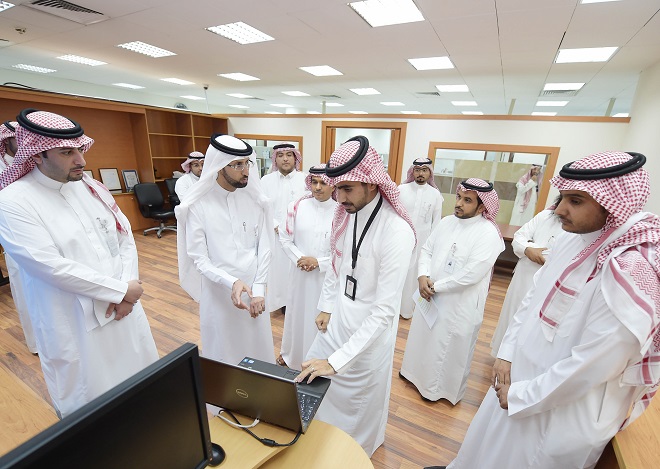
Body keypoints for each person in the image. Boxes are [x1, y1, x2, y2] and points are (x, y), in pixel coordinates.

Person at [442, 151, 660, 469]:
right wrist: (507, 353)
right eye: (563, 197)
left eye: (575, 201)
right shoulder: (572, 239)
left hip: (557, 410)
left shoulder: (629, 270)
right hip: (517, 380)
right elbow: (532, 298)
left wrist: (521, 395)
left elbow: (594, 365)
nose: (559, 209)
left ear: (612, 204)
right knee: (484, 451)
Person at [0, 109, 159, 418]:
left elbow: (124, 235)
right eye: (66, 152)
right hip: (72, 318)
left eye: (80, 149)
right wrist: (120, 291)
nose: (81, 160)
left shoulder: (91, 187)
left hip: (125, 309)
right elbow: (49, 266)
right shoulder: (13, 201)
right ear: (37, 155)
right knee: (91, 402)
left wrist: (128, 289)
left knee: (141, 386)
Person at [295, 136, 416, 456]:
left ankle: (349, 456)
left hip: (369, 332)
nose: (339, 197)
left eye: (347, 188)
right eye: (337, 188)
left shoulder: (396, 232)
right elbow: (336, 264)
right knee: (316, 383)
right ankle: (319, 447)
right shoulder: (348, 211)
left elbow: (384, 312)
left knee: (355, 407)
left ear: (372, 183)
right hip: (339, 316)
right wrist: (326, 306)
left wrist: (335, 362)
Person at [400, 178, 504, 404]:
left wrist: (436, 286)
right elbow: (427, 249)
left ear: (482, 206)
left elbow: (472, 273)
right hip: (429, 293)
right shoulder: (446, 222)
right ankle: (412, 374)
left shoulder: (488, 233)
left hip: (458, 303)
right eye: (459, 197)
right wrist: (422, 275)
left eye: (467, 200)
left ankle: (435, 390)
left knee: (445, 345)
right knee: (422, 336)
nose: (459, 203)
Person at [176, 134, 275, 366]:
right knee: (225, 353)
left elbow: (265, 246)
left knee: (258, 350)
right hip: (219, 293)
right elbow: (199, 259)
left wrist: (259, 288)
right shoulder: (198, 205)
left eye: (247, 163)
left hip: (254, 293)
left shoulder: (255, 200)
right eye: (237, 165)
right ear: (219, 166)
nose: (246, 171)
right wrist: (231, 282)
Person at [277, 164, 337, 370]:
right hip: (300, 275)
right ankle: (292, 355)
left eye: (323, 183)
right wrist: (300, 259)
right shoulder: (296, 206)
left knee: (321, 318)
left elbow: (344, 251)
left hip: (326, 278)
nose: (318, 187)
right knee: (296, 315)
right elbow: (285, 238)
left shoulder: (341, 211)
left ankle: (318, 360)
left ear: (333, 185)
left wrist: (319, 263)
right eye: (314, 182)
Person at [490, 197, 564, 357]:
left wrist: (533, 247)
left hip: (549, 283)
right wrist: (528, 250)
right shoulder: (545, 216)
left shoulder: (579, 230)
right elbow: (519, 237)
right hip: (523, 276)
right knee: (512, 314)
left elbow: (561, 256)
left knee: (532, 323)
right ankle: (502, 355)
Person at [0, 120, 37, 353]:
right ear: (6, 140)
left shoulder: (33, 162)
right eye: (18, 138)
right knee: (25, 289)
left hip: (41, 231)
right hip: (16, 238)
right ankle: (36, 342)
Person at [260, 143, 307, 313]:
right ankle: (281, 303)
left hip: (299, 236)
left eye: (289, 155)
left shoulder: (305, 179)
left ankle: (295, 303)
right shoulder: (266, 181)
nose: (285, 159)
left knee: (296, 269)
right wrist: (276, 225)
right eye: (280, 155)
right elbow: (261, 207)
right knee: (278, 272)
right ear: (275, 159)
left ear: (295, 158)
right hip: (275, 235)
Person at [398, 157, 444, 319]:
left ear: (429, 173)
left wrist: (433, 247)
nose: (420, 174)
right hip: (401, 238)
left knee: (414, 275)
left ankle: (407, 309)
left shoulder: (435, 194)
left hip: (423, 242)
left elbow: (436, 223)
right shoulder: (401, 189)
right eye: (417, 170)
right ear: (412, 172)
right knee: (398, 270)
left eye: (424, 170)